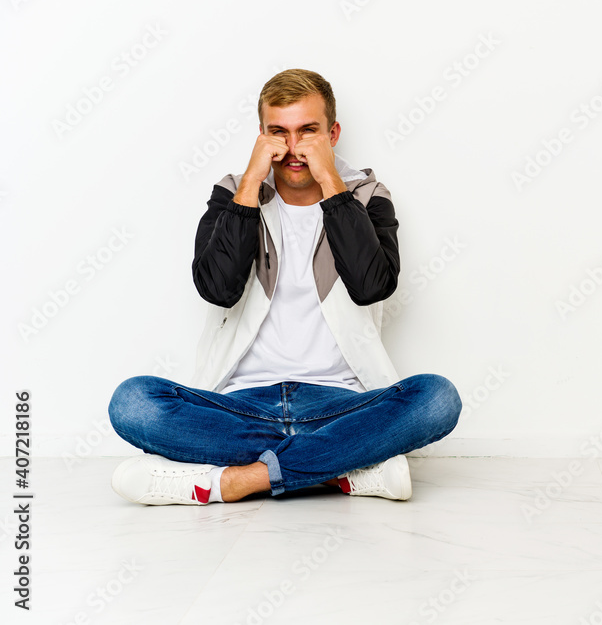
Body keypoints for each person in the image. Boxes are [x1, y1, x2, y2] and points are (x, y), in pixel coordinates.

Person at [107, 68, 462, 505]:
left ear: (333, 134)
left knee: (437, 398)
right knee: (133, 402)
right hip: (240, 407)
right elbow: (217, 289)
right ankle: (339, 470)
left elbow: (372, 286)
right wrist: (250, 186)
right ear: (261, 135)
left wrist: (331, 184)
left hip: (340, 406)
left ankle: (231, 482)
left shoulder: (368, 196)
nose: (293, 148)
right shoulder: (233, 193)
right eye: (279, 132)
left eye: (308, 131)